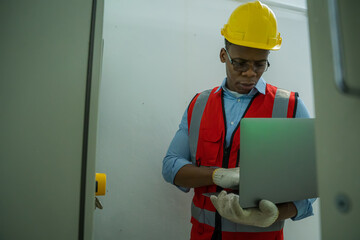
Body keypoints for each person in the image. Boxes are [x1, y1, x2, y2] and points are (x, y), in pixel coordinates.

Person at [162, 1, 316, 239]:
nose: (250, 73)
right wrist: (217, 175)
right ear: (224, 55)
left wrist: (274, 214)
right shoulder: (199, 104)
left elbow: (314, 181)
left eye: (260, 64)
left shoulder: (290, 106)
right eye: (241, 63)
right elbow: (172, 166)